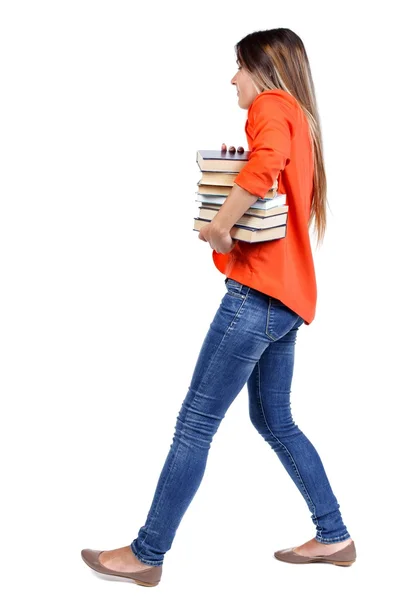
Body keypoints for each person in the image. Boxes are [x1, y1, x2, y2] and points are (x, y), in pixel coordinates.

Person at [81, 27, 356, 587]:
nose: (233, 78)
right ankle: (334, 536)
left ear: (263, 68)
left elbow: (263, 164)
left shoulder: (273, 107)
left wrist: (220, 226)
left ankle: (146, 553)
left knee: (194, 425)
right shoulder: (302, 116)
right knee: (274, 419)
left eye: (239, 67)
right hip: (287, 299)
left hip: (255, 298)